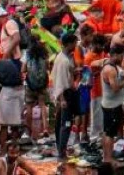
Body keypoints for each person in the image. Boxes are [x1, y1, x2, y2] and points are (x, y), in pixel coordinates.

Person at [49, 32, 79, 162]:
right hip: (65, 94)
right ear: (69, 44)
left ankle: (61, 148)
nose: (76, 45)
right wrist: (62, 99)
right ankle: (62, 153)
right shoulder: (63, 61)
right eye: (74, 43)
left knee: (61, 122)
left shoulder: (66, 57)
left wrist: (75, 71)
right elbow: (61, 81)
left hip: (66, 93)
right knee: (65, 124)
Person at [100, 44, 124, 165]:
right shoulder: (110, 69)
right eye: (122, 55)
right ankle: (108, 158)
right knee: (110, 133)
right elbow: (115, 88)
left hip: (112, 104)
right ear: (116, 55)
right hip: (111, 106)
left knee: (108, 131)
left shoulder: (111, 65)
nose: (123, 58)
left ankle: (106, 155)